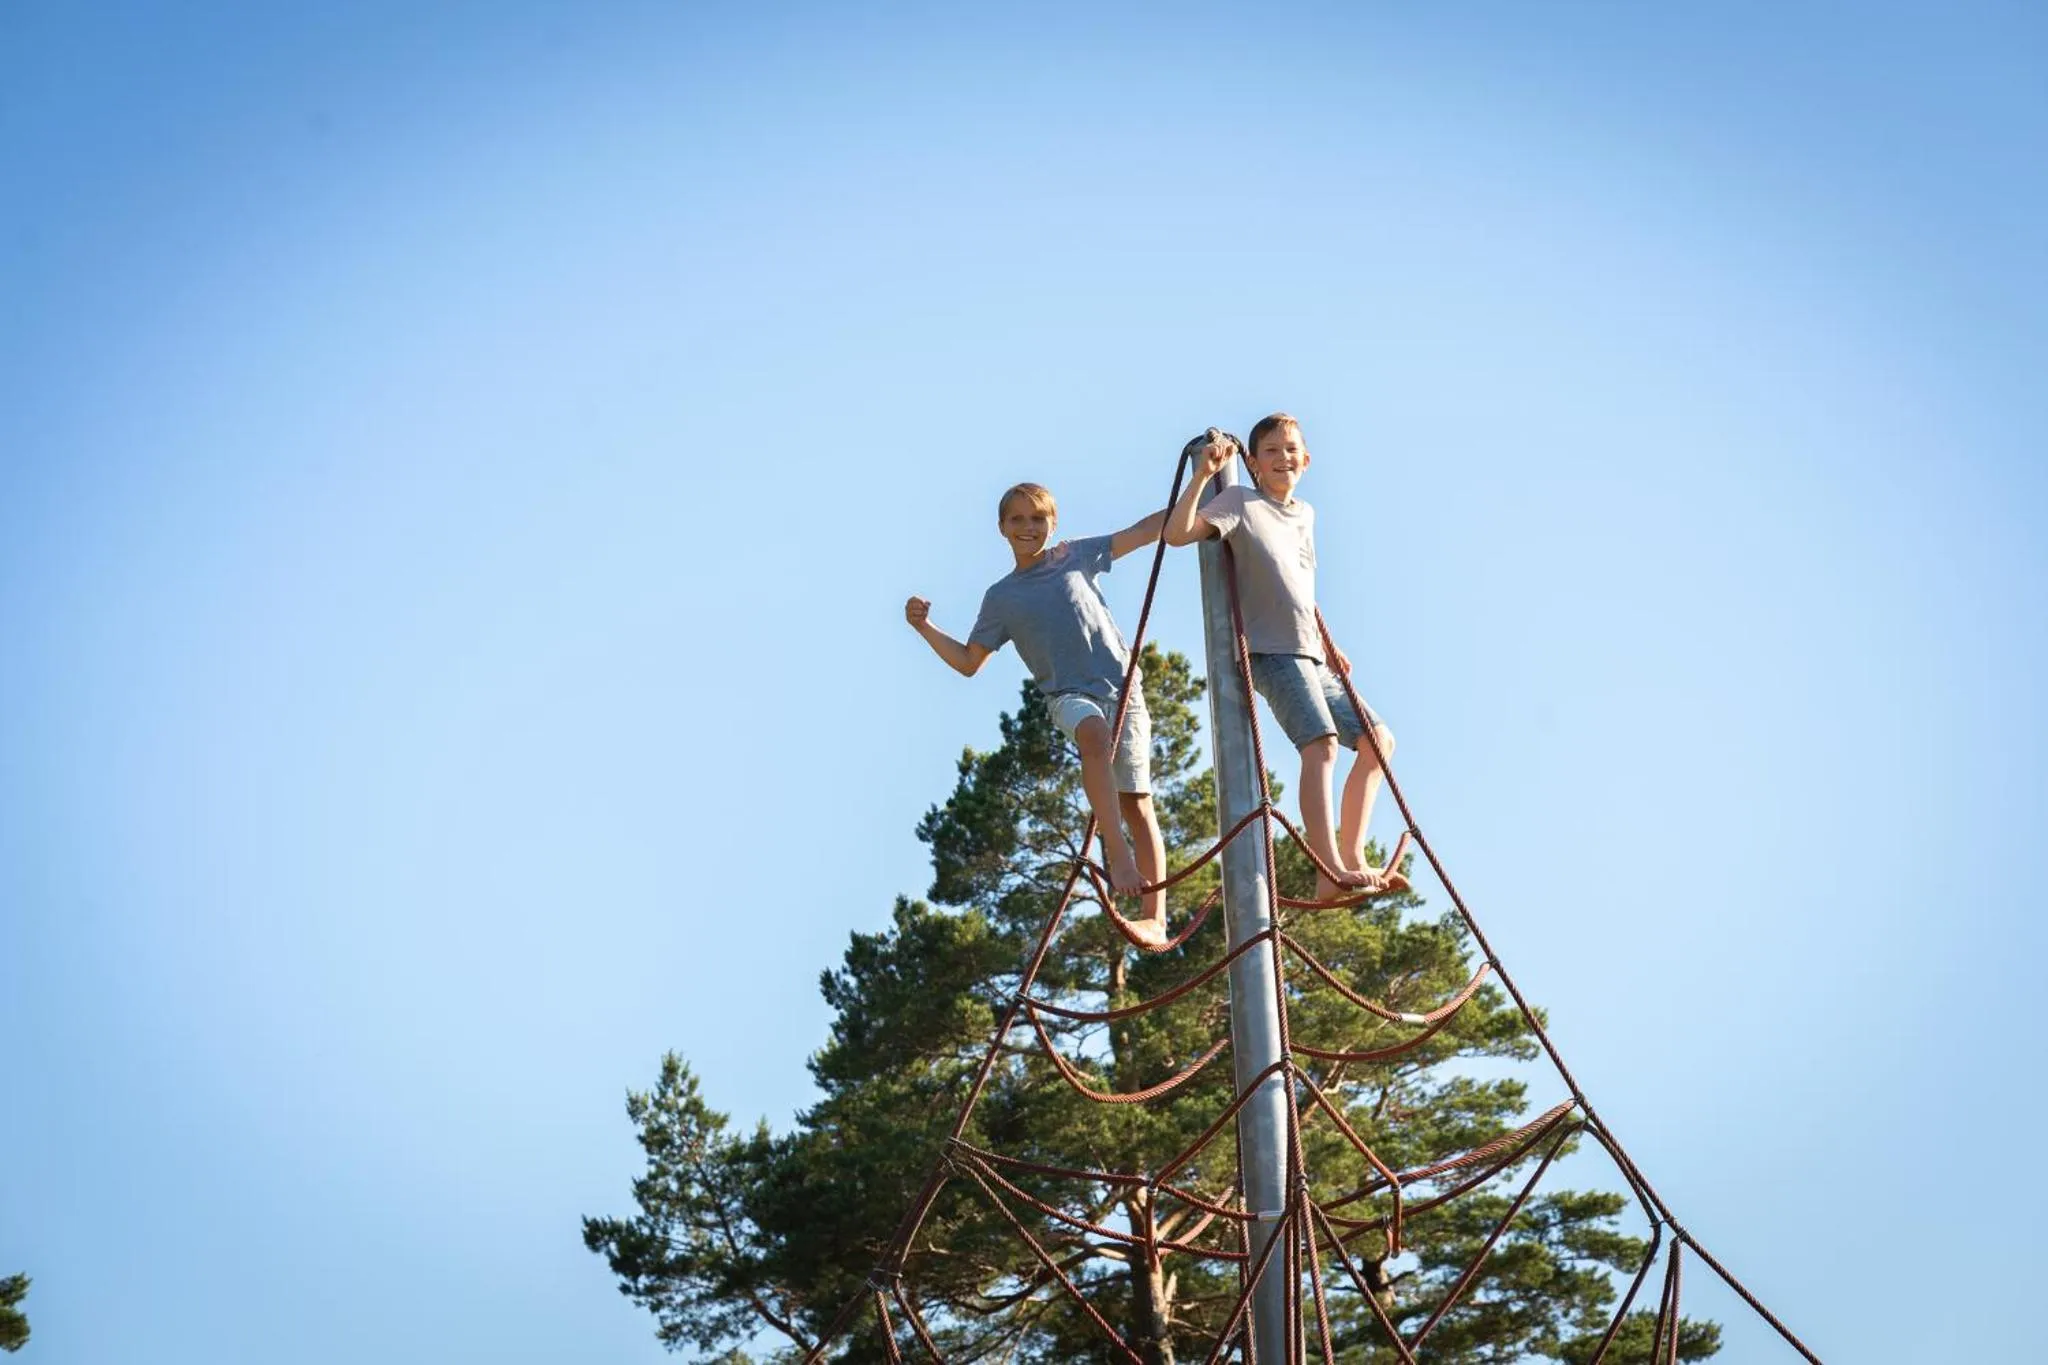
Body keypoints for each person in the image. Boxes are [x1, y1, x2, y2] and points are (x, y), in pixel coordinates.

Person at [906, 482, 1171, 943]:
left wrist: (1199, 487)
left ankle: (1155, 916)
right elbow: (970, 661)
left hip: (1123, 692)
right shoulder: (1002, 597)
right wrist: (925, 627)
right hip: (1067, 695)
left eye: (1037, 518)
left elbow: (1145, 531)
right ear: (1002, 528)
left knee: (1138, 803)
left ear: (1054, 523)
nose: (1028, 527)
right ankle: (1118, 854)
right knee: (1092, 735)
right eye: (1018, 520)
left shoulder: (1076, 556)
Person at [1165, 417, 1408, 901]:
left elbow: (1300, 583)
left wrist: (1326, 640)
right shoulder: (1239, 502)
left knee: (1379, 741)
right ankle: (1328, 871)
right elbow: (1177, 534)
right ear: (1253, 464)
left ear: (1307, 459)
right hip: (1272, 649)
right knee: (1321, 746)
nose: (1283, 458)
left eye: (1291, 449)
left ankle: (1353, 857)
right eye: (1271, 451)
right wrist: (1202, 475)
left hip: (1311, 652)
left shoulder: (1305, 514)